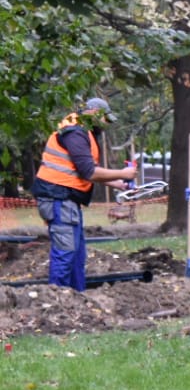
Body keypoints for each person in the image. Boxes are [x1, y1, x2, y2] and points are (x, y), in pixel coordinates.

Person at [31, 97, 138, 290]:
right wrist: (124, 173)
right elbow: (88, 171)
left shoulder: (82, 131)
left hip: (66, 200)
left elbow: (87, 170)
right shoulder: (75, 132)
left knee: (77, 255)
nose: (106, 124)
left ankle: (76, 299)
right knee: (65, 254)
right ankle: (58, 301)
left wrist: (119, 184)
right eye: (105, 119)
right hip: (58, 198)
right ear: (94, 113)